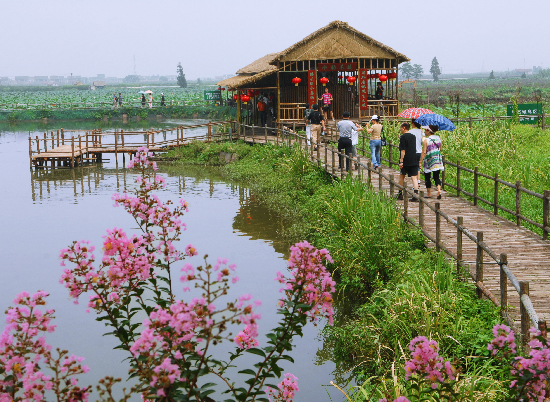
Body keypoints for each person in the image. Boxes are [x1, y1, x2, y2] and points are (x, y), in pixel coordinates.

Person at [419, 125, 444, 199]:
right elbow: (441, 148)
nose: (425, 131)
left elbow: (424, 152)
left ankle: (429, 193)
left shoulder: (427, 140)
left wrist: (420, 161)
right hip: (437, 160)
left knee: (427, 177)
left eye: (426, 130)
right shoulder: (438, 138)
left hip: (429, 160)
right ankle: (439, 190)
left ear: (429, 131)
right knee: (436, 177)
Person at [397, 122, 420, 201]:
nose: (400, 130)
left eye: (401, 128)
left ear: (403, 128)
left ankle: (400, 194)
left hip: (406, 159)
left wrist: (401, 161)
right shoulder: (413, 136)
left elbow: (403, 150)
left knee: (402, 175)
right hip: (413, 158)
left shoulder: (403, 137)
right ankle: (416, 194)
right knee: (414, 177)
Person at [409, 119, 425, 183]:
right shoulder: (421, 131)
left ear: (413, 123)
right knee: (418, 166)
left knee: (413, 167)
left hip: (412, 151)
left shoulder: (410, 131)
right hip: (419, 151)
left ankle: (415, 182)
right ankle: (418, 180)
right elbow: (422, 141)